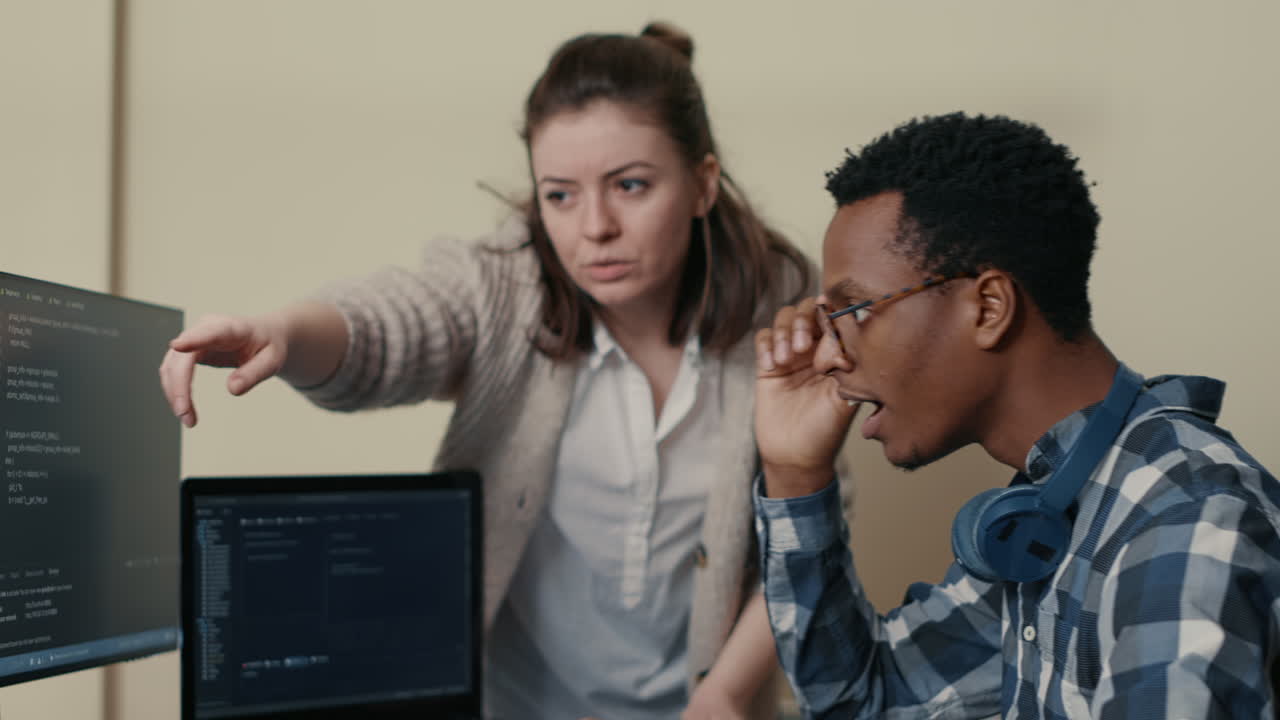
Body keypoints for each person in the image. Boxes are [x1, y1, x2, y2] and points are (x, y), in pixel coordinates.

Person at [157, 22, 816, 720]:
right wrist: (284, 333)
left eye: (629, 185)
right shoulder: (505, 288)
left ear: (703, 184)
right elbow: (395, 325)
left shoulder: (783, 310)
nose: (594, 227)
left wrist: (726, 693)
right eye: (560, 195)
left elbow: (810, 526)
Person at [751, 112, 1280, 718]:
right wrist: (794, 471)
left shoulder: (1185, 521)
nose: (826, 354)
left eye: (853, 310)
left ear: (989, 307)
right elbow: (863, 700)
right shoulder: (1052, 507)